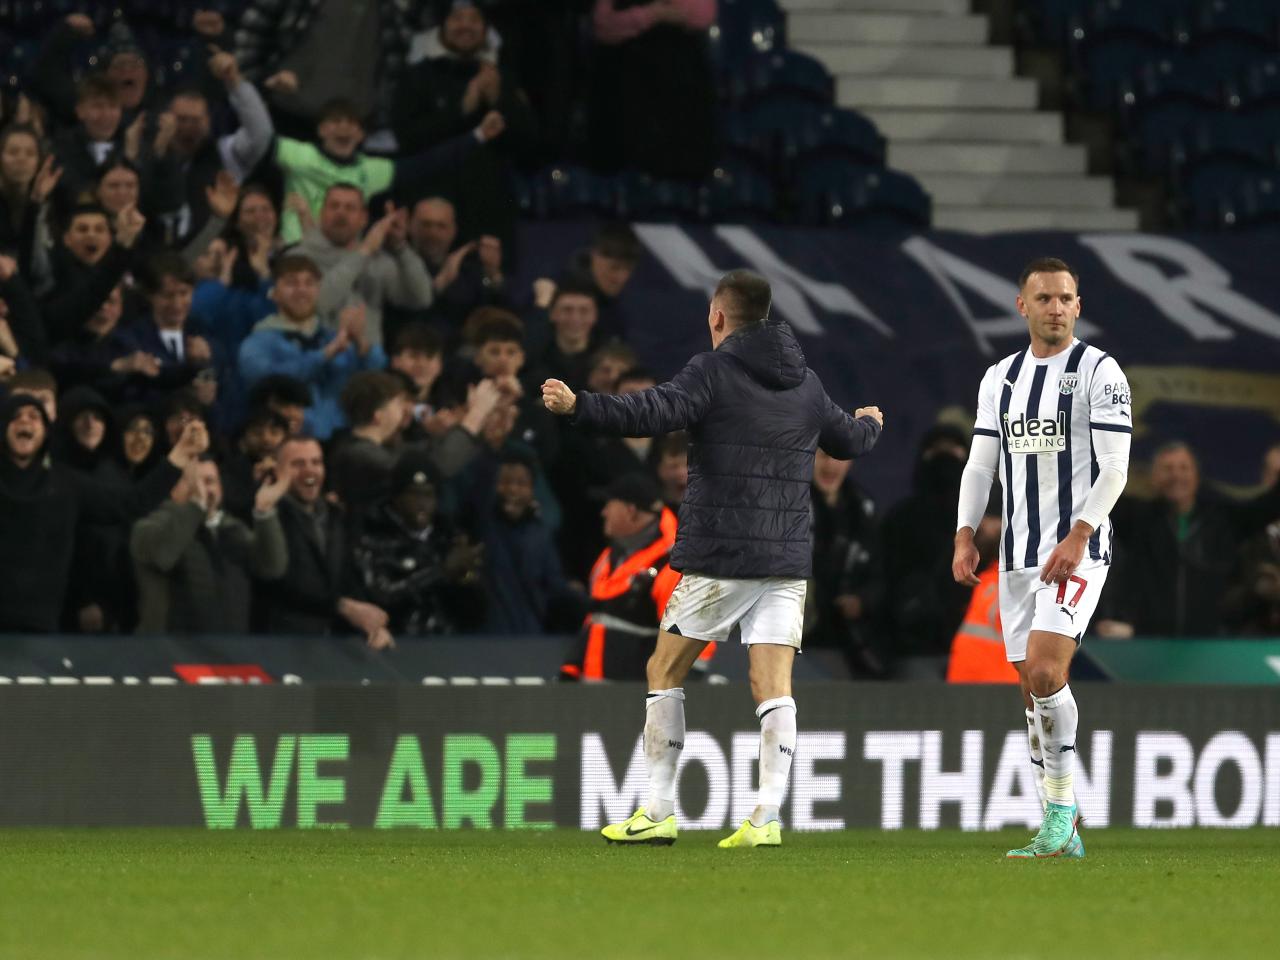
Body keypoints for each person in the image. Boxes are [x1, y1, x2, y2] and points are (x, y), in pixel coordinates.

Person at [542, 269, 883, 848]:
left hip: (721, 554)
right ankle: (766, 817)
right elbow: (847, 441)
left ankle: (657, 809)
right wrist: (870, 424)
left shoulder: (713, 370)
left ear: (718, 317)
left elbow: (651, 412)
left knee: (664, 670)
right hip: (786, 561)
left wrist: (580, 407)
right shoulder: (806, 383)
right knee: (774, 686)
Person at [951, 256, 1131, 860]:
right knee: (1032, 692)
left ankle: (1060, 815)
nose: (1056, 308)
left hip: (1078, 552)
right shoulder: (999, 378)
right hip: (1019, 556)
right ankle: (1062, 829)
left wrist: (1079, 535)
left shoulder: (1101, 373)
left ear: (1078, 306)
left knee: (1049, 673)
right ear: (1021, 306)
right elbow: (980, 465)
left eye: (1066, 298)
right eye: (1044, 298)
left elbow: (1115, 469)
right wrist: (965, 533)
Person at [131, 456, 291, 634]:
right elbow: (163, 555)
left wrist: (264, 510)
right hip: (169, 652)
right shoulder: (149, 528)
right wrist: (195, 505)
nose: (204, 489)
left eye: (210, 481)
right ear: (174, 488)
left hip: (227, 652)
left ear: (220, 488)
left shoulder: (233, 529)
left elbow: (272, 568)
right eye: (195, 482)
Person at [560, 473, 681, 682]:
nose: (603, 512)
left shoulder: (671, 565)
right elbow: (596, 618)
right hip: (597, 695)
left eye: (609, 504)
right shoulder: (610, 558)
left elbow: (684, 639)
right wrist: (572, 667)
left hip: (636, 699)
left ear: (631, 510)